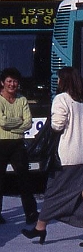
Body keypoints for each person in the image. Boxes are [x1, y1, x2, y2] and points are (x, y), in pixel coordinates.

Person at [21, 67, 83, 246]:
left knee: (54, 192)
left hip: (68, 156)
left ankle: (40, 227)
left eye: (58, 79)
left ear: (64, 81)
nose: (57, 82)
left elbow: (57, 126)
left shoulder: (61, 99)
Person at [0, 67, 39, 225]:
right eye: (9, 81)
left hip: (17, 144)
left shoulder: (22, 100)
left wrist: (11, 125)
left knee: (25, 179)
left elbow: (28, 123)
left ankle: (31, 213)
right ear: (2, 83)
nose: (12, 84)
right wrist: (19, 121)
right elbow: (1, 122)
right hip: (1, 143)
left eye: (15, 81)